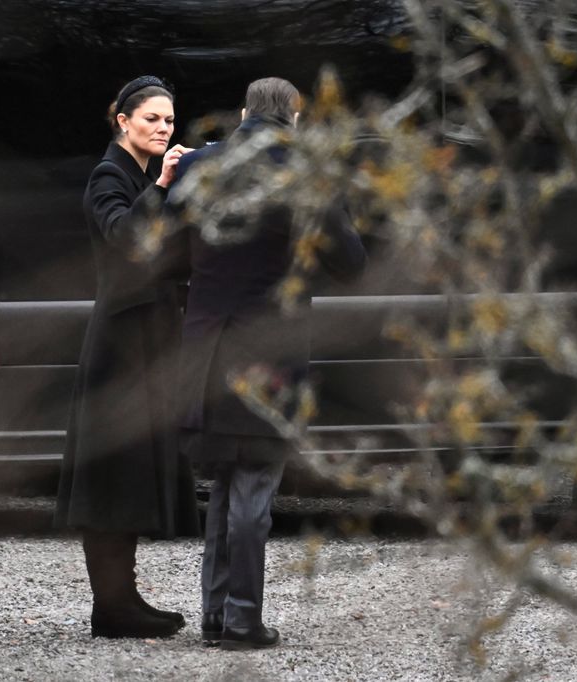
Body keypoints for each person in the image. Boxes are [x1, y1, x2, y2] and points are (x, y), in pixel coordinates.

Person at [169, 77, 367, 650]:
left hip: (206, 346)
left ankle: (215, 615)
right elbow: (350, 263)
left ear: (242, 115)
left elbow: (166, 246)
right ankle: (241, 621)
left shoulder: (198, 165)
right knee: (254, 481)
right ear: (296, 120)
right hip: (269, 351)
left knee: (226, 482)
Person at [54, 75, 200, 640]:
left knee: (133, 470)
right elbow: (123, 238)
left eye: (169, 119)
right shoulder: (108, 175)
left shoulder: (139, 174)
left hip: (148, 336)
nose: (164, 128)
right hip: (120, 344)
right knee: (113, 473)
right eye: (152, 119)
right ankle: (111, 607)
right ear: (124, 122)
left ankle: (121, 599)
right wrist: (163, 184)